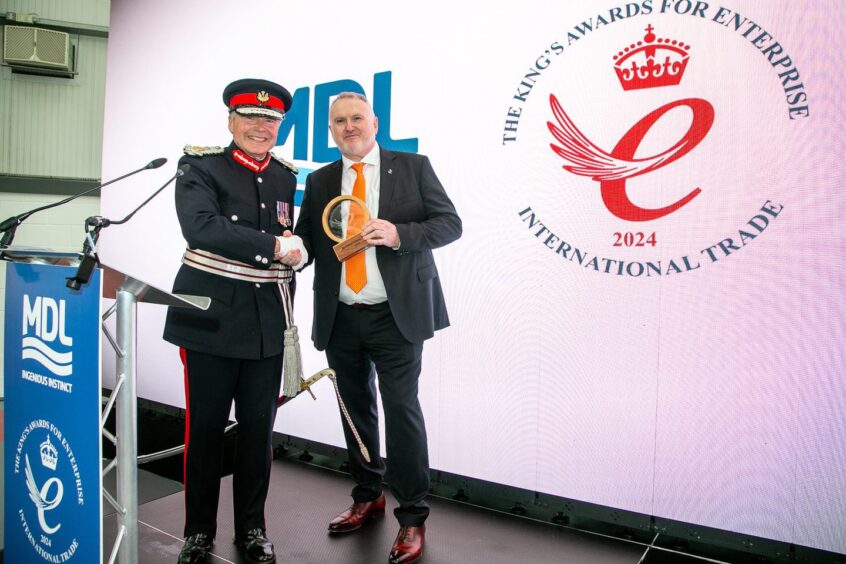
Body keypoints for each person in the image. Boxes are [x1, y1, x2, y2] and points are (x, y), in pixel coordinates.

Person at [294, 92, 462, 564]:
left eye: (357, 119)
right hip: (341, 313)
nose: (349, 127)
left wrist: (400, 235)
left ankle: (412, 517)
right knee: (355, 410)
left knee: (401, 410)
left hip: (396, 314)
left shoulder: (412, 166)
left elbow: (450, 224)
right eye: (339, 121)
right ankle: (367, 495)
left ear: (375, 122)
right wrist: (292, 247)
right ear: (331, 129)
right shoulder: (322, 178)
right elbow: (310, 237)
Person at [163, 78, 307, 564]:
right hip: (209, 319)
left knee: (257, 434)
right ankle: (198, 532)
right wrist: (272, 248)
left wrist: (298, 253)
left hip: (267, 324)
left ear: (279, 127)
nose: (260, 127)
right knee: (204, 431)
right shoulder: (200, 167)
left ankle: (252, 528)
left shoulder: (286, 177)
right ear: (231, 121)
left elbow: (291, 240)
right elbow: (201, 228)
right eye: (250, 118)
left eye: (270, 120)